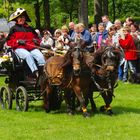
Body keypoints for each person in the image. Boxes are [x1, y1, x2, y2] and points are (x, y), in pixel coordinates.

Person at [6, 8, 45, 78]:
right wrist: (18, 41)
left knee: (40, 56)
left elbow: (38, 38)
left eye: (23, 17)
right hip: (19, 48)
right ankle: (35, 73)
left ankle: (43, 73)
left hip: (31, 47)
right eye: (19, 17)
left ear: (25, 18)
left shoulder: (30, 28)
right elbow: (9, 41)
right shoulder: (13, 29)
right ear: (17, 19)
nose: (21, 19)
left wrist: (36, 41)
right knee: (28, 55)